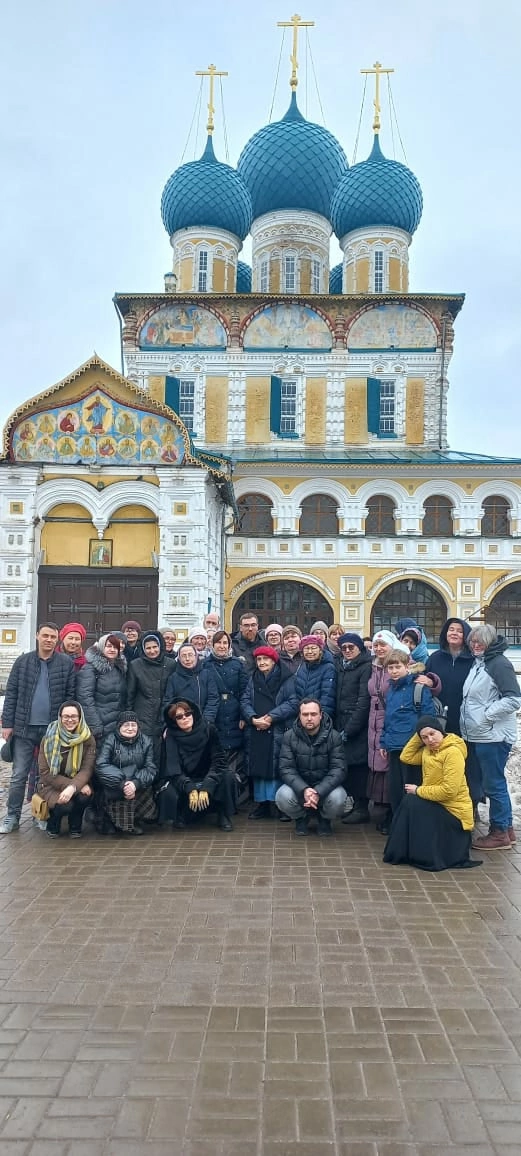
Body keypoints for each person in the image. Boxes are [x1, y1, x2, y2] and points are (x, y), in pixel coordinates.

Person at [0, 623, 75, 834]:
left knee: (45, 777)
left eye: (53, 636)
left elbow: (70, 695)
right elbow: (12, 692)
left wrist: (66, 726)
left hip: (52, 732)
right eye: (45, 636)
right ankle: (12, 816)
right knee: (18, 775)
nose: (49, 640)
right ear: (37, 636)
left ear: (57, 640)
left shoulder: (65, 663)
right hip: (24, 729)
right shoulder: (23, 662)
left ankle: (39, 814)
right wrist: (7, 724)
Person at [383, 715, 479, 871]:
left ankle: (417, 854)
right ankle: (404, 852)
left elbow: (449, 791)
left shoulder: (453, 752)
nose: (430, 739)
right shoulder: (428, 751)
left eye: (433, 734)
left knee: (412, 800)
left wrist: (419, 790)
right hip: (437, 806)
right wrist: (420, 731)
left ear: (441, 731)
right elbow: (405, 756)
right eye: (425, 737)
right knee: (409, 801)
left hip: (454, 814)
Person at [460, 625, 521, 851]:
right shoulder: (481, 663)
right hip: (481, 734)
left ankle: (499, 833)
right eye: (473, 641)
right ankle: (507, 829)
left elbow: (514, 699)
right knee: (492, 782)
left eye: (481, 641)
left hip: (493, 736)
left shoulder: (498, 664)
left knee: (493, 784)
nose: (476, 645)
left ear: (490, 643)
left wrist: (486, 716)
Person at [241, 646, 298, 819]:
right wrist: (252, 718)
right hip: (257, 730)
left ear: (274, 661)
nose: (262, 662)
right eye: (259, 660)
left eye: (266, 659)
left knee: (277, 767)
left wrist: (271, 718)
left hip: (278, 729)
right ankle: (263, 804)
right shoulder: (253, 678)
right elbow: (245, 700)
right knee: (260, 768)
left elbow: (293, 702)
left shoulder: (286, 678)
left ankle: (280, 805)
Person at [159, 699, 233, 831]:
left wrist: (207, 785)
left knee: (228, 776)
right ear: (174, 721)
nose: (185, 718)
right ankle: (181, 814)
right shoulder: (170, 736)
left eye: (188, 714)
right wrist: (190, 788)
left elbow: (219, 761)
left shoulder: (209, 729)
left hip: (209, 777)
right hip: (186, 780)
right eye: (179, 717)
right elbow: (173, 769)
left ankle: (223, 815)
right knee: (168, 788)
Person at [277, 698, 347, 835]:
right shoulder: (289, 736)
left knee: (339, 797)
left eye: (313, 714)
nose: (309, 718)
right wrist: (304, 789)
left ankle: (325, 819)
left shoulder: (334, 737)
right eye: (305, 714)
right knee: (282, 796)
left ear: (321, 715)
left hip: (325, 789)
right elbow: (286, 768)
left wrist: (318, 791)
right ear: (299, 715)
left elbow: (339, 769)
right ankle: (301, 818)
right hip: (300, 788)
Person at [380, 649, 434, 816]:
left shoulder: (418, 688)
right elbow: (388, 718)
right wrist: (383, 741)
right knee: (395, 789)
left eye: (398, 667)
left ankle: (412, 822)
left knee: (411, 787)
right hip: (394, 747)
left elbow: (428, 717)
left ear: (407, 666)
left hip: (412, 747)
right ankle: (398, 822)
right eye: (390, 668)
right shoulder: (390, 691)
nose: (394, 671)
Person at [37, 701, 96, 839]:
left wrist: (74, 786)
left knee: (84, 796)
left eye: (74, 716)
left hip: (77, 781)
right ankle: (53, 824)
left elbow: (87, 768)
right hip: (51, 784)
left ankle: (75, 825)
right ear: (60, 717)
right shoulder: (48, 738)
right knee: (65, 804)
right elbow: (46, 772)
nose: (70, 720)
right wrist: (72, 786)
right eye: (66, 716)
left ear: (80, 717)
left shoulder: (88, 738)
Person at [95, 711, 158, 836]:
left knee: (146, 788)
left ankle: (134, 820)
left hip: (135, 783)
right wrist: (122, 783)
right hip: (116, 784)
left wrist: (135, 783)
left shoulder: (146, 741)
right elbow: (101, 765)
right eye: (126, 725)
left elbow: (150, 768)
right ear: (119, 727)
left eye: (133, 725)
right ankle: (107, 820)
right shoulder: (110, 740)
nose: (130, 728)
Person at [206, 630, 249, 801]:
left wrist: (243, 716)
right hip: (214, 712)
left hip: (234, 713)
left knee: (235, 755)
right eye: (219, 643)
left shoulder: (238, 665)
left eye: (225, 643)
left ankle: (236, 797)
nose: (222, 646)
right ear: (213, 645)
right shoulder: (205, 664)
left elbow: (245, 692)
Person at [335, 633, 372, 825]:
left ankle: (362, 807)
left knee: (359, 767)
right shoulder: (342, 666)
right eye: (344, 648)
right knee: (346, 765)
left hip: (357, 725)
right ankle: (352, 804)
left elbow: (363, 701)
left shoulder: (366, 667)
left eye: (352, 647)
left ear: (360, 648)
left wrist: (350, 729)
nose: (348, 650)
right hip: (341, 721)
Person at [127, 631, 176, 765]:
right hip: (143, 716)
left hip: (164, 713)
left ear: (160, 647)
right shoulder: (135, 665)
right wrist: (130, 718)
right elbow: (130, 694)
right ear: (143, 649)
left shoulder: (171, 664)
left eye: (155, 647)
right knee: (145, 752)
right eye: (148, 648)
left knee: (165, 751)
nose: (152, 651)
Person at [76, 634, 127, 743]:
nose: (112, 650)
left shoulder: (119, 669)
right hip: (99, 726)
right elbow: (85, 698)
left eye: (115, 647)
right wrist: (95, 725)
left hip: (117, 726)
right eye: (108, 646)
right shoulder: (90, 668)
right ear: (101, 647)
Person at [163, 642, 219, 721]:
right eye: (183, 656)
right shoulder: (173, 678)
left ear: (196, 656)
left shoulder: (206, 674)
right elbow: (168, 702)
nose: (187, 659)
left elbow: (213, 699)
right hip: (182, 722)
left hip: (204, 722)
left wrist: (207, 720)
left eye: (190, 655)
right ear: (179, 658)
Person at [294, 635, 336, 718]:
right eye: (306, 648)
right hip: (303, 717)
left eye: (313, 648)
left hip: (318, 718)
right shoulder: (302, 667)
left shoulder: (328, 668)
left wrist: (322, 718)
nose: (310, 651)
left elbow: (327, 697)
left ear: (320, 650)